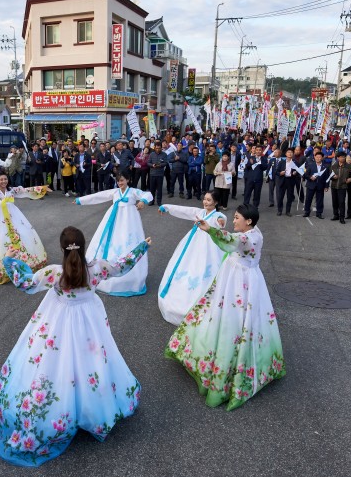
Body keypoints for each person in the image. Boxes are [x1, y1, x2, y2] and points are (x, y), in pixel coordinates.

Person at [0, 227, 149, 466]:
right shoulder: (97, 268)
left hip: (58, 321)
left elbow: (26, 284)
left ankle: (60, 410)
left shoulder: (54, 273)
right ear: (83, 247)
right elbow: (121, 266)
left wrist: (10, 259)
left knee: (55, 362)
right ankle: (94, 410)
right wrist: (141, 247)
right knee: (92, 361)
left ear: (62, 249)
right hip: (89, 321)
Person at [164, 204, 285, 410]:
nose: (234, 220)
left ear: (248, 221)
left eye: (237, 218)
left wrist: (209, 229)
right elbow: (232, 238)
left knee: (230, 318)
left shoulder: (246, 238)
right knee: (248, 320)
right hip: (247, 278)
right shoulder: (256, 232)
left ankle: (225, 369)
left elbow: (229, 240)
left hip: (237, 282)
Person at [74, 171, 152, 296]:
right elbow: (99, 196)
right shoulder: (115, 192)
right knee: (108, 241)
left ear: (128, 180)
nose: (120, 183)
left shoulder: (133, 192)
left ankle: (130, 275)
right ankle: (104, 269)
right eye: (118, 181)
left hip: (129, 221)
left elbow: (147, 193)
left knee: (128, 242)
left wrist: (143, 201)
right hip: (113, 219)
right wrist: (80, 200)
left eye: (122, 180)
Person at [157, 192, 227, 324]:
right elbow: (183, 210)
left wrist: (221, 222)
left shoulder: (217, 215)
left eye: (209, 200)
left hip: (209, 247)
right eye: (205, 199)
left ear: (216, 203)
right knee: (187, 266)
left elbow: (221, 220)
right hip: (193, 244)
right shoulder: (199, 212)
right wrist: (166, 207)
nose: (205, 202)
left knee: (204, 271)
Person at [0, 172, 51, 283]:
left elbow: (26, 191)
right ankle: (1, 266)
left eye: (5, 179)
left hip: (13, 215)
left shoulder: (12, 190)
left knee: (22, 233)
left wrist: (42, 188)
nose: (3, 181)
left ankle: (23, 261)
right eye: (1, 179)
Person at [329, 151, 351, 223]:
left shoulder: (348, 165)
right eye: (341, 157)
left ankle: (342, 217)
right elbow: (329, 175)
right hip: (334, 186)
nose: (342, 158)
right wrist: (333, 177)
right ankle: (335, 215)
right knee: (335, 202)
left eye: (344, 157)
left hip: (343, 186)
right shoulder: (334, 165)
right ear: (337, 158)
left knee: (341, 202)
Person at [302, 149, 329, 219]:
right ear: (314, 157)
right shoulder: (311, 165)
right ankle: (307, 212)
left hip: (320, 185)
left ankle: (319, 213)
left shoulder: (325, 167)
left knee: (320, 200)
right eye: (316, 157)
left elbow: (327, 177)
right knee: (308, 199)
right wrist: (310, 177)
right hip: (311, 185)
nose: (318, 158)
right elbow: (305, 175)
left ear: (322, 158)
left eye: (320, 157)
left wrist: (326, 186)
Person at [146, 141, 168, 206]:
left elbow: (166, 163)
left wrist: (160, 165)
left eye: (159, 148)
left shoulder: (164, 154)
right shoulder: (151, 154)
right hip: (152, 174)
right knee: (152, 189)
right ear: (154, 148)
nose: (158, 149)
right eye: (157, 148)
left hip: (160, 174)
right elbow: (148, 162)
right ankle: (152, 201)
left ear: (161, 148)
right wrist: (152, 165)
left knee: (159, 189)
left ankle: (159, 202)